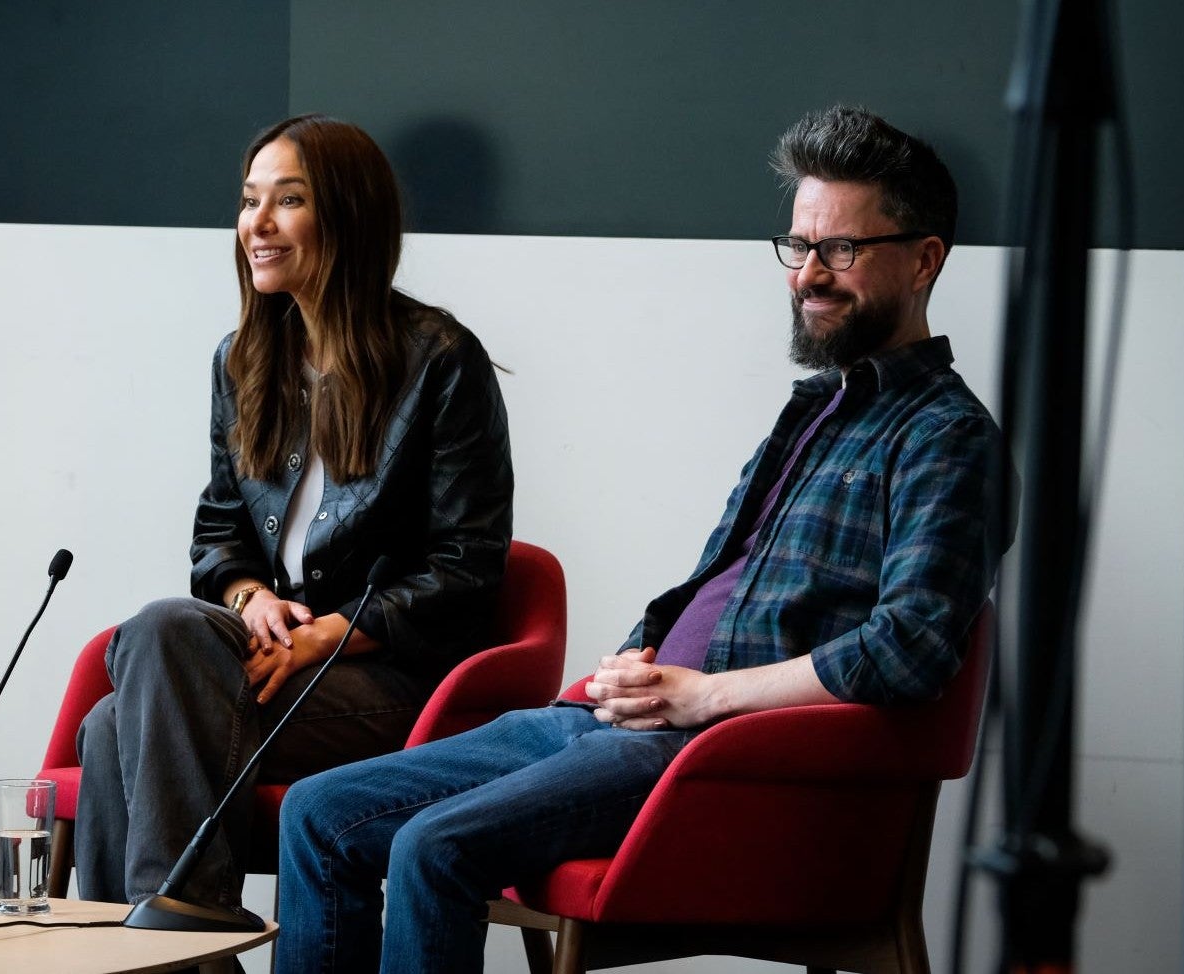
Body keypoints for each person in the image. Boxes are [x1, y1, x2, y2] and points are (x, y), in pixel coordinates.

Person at [275, 105, 1010, 972]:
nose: (809, 273)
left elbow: (908, 650)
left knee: (433, 848)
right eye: (799, 246)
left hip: (717, 756)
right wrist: (638, 657)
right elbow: (714, 584)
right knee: (317, 814)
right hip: (618, 719)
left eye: (841, 250)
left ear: (925, 258)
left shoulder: (949, 436)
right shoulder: (813, 410)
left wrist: (705, 697)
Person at [73, 114, 513, 912]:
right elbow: (220, 532)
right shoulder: (243, 358)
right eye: (249, 202)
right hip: (276, 661)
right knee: (113, 718)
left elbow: (467, 567)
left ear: (346, 217)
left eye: (288, 201)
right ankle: (169, 944)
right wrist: (252, 598)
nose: (257, 225)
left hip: (390, 679)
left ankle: (171, 941)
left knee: (143, 671)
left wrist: (324, 633)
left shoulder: (440, 359)